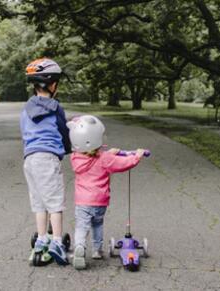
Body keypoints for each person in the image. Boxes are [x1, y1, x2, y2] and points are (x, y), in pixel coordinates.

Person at [66, 115, 145, 270]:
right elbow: (123, 163)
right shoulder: (105, 158)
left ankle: (79, 247)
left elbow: (91, 154)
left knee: (82, 226)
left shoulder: (75, 157)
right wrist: (137, 156)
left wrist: (109, 152)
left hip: (82, 201)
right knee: (97, 225)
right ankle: (97, 250)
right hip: (100, 201)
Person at [20, 58, 71, 265]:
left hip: (30, 159)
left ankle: (41, 239)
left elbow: (24, 132)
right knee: (55, 204)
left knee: (39, 203)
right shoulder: (55, 107)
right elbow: (64, 132)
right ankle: (57, 242)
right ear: (53, 85)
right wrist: (69, 149)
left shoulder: (25, 109)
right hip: (47, 159)